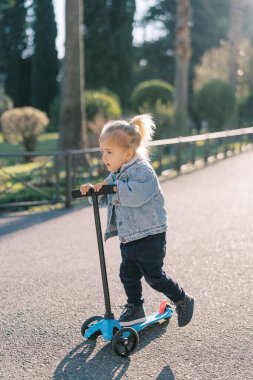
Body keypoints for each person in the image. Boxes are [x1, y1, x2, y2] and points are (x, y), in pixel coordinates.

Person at [80, 114, 194, 327]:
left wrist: (113, 189)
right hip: (129, 237)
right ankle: (135, 308)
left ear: (128, 153)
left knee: (153, 276)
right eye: (103, 152)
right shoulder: (116, 173)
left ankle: (182, 299)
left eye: (109, 152)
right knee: (127, 274)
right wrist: (92, 191)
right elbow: (105, 196)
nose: (104, 157)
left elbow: (134, 196)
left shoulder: (143, 171)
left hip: (150, 235)